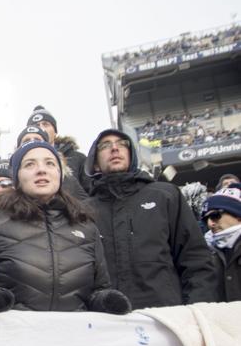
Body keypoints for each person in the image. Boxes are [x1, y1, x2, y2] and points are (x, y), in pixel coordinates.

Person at [0, 140, 130, 313]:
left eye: (50, 163)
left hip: (75, 337)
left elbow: (98, 289)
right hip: (15, 337)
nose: (41, 169)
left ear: (59, 174)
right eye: (30, 164)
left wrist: (106, 301)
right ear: (17, 177)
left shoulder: (86, 227)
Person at [84, 129, 218, 309]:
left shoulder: (165, 196)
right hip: (107, 324)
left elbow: (196, 259)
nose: (115, 149)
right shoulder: (82, 210)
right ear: (95, 164)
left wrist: (197, 310)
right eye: (105, 146)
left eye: (122, 144)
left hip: (166, 318)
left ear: (132, 157)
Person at [18, 111, 89, 200]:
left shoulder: (78, 159)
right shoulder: (12, 168)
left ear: (55, 132)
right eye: (36, 125)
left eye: (45, 124)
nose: (41, 128)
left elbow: (87, 201)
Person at [202, 184, 241, 301]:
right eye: (205, 219)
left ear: (238, 215)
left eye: (215, 216)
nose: (210, 223)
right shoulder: (206, 250)